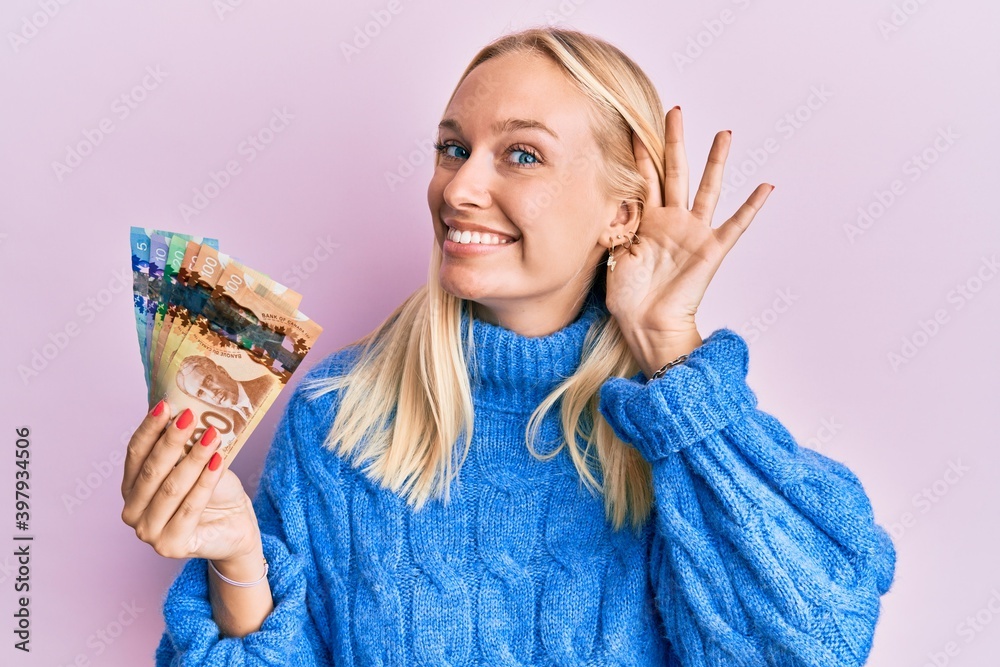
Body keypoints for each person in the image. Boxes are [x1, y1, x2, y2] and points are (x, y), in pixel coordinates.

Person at [121, 27, 897, 666]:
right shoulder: (339, 417)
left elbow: (813, 645)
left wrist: (672, 353)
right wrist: (237, 560)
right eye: (453, 148)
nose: (457, 189)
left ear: (622, 212)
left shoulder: (681, 436)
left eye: (521, 154)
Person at [174, 354, 272, 433]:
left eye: (208, 380)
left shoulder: (269, 383)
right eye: (201, 393)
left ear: (223, 372)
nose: (212, 394)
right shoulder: (237, 429)